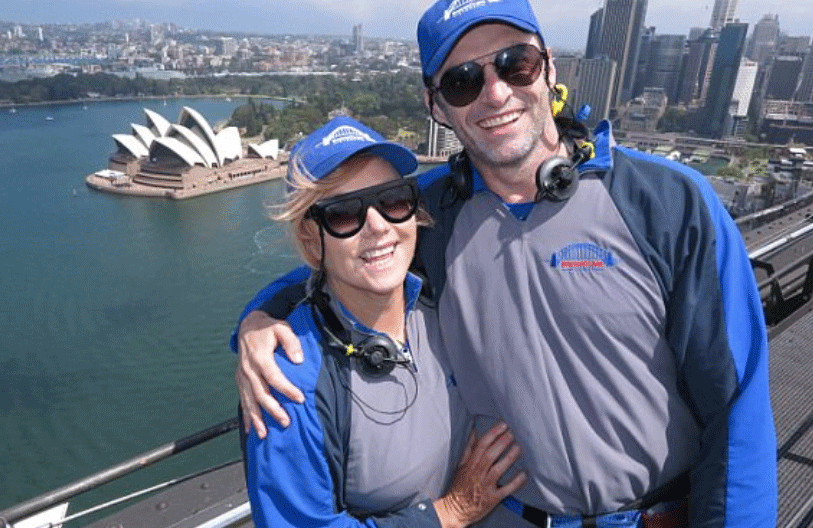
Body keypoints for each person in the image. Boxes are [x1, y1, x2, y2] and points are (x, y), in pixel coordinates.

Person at [233, 1, 778, 526]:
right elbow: (347, 258)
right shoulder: (427, 214)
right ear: (436, 105)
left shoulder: (668, 203)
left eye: (515, 64)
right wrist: (260, 321)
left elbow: (738, 413)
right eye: (463, 80)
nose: (496, 93)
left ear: (549, 69)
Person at [239, 115, 527, 528]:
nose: (378, 227)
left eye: (393, 200)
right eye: (342, 213)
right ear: (310, 240)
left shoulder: (441, 303)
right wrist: (449, 513)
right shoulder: (289, 383)